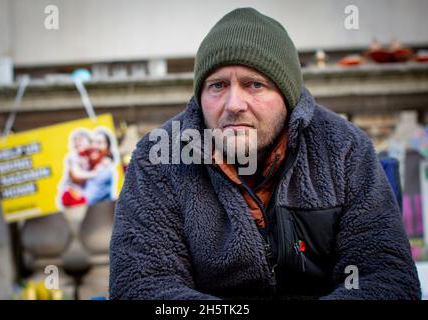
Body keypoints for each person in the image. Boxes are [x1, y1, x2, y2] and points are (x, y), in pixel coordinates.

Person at [109, 8, 421, 299]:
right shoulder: (158, 158)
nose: (233, 104)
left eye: (255, 84)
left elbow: (386, 277)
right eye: (217, 85)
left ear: (287, 96)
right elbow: (142, 284)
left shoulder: (344, 149)